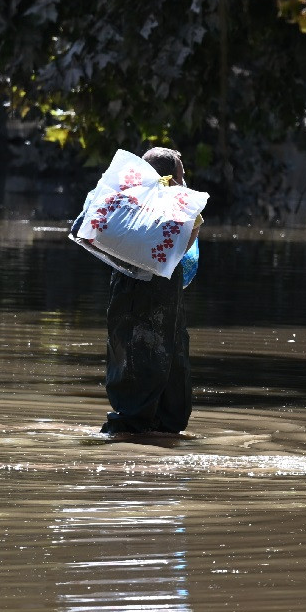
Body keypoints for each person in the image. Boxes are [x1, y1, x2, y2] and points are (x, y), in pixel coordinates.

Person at [101, 147, 202, 435]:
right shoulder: (182, 205)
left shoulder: (123, 201)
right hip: (160, 293)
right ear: (171, 178)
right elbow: (184, 248)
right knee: (164, 355)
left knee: (131, 354)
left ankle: (136, 424)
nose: (184, 181)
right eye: (181, 175)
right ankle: (155, 426)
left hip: (127, 291)